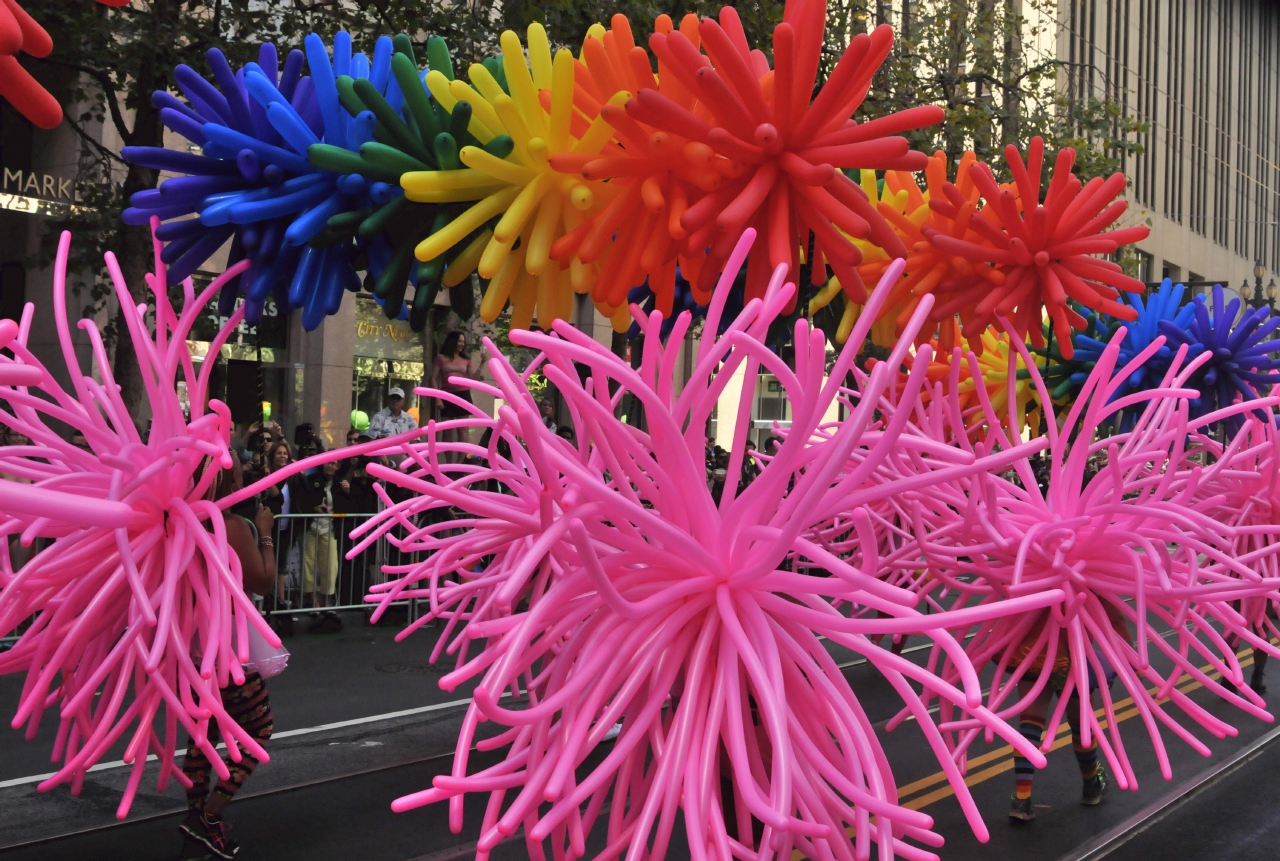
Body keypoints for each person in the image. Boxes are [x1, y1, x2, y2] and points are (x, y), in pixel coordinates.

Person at [179, 456, 276, 859]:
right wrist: (266, 534)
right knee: (258, 731)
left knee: (204, 736)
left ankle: (196, 818)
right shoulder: (230, 525)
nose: (240, 474)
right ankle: (211, 817)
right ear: (218, 477)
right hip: (228, 649)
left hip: (192, 646)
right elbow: (264, 582)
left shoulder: (179, 522)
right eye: (232, 467)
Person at [1007, 606, 1125, 822]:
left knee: (1030, 721)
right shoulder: (1093, 576)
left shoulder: (1025, 574)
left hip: (1032, 651)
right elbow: (1114, 619)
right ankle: (1091, 784)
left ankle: (1022, 799)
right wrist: (1131, 662)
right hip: (1074, 655)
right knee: (1081, 723)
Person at [295, 460, 342, 632]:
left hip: (329, 529)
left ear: (337, 467)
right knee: (308, 565)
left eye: (334, 464)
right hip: (310, 527)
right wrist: (314, 508)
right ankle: (314, 603)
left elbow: (346, 504)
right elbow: (303, 499)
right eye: (327, 463)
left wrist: (346, 491)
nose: (330, 466)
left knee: (330, 566)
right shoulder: (312, 478)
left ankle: (327, 603)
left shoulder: (339, 483)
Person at [432, 331, 476, 420]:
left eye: (463, 342)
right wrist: (438, 398)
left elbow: (473, 378)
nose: (462, 344)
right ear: (452, 341)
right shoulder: (441, 358)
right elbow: (433, 378)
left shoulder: (466, 359)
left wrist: (482, 363)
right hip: (447, 394)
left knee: (462, 430)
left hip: (463, 394)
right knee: (446, 429)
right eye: (460, 341)